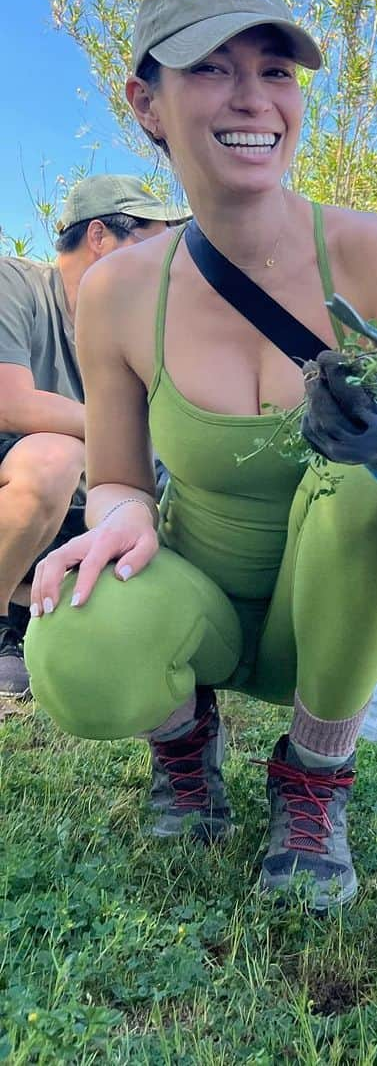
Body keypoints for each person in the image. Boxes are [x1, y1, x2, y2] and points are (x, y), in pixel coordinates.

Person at [27, 0, 377, 910]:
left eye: (277, 71)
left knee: (360, 477)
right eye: (211, 69)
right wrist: (115, 518)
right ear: (146, 102)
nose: (253, 99)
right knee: (69, 642)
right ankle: (186, 745)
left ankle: (315, 776)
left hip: (342, 619)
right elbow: (115, 478)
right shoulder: (115, 291)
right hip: (203, 606)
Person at [0, 176, 186, 697]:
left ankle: (28, 610)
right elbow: (9, 403)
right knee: (55, 458)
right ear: (100, 236)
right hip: (21, 478)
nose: (166, 262)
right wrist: (121, 429)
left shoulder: (133, 329)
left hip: (74, 510)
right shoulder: (13, 284)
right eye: (153, 242)